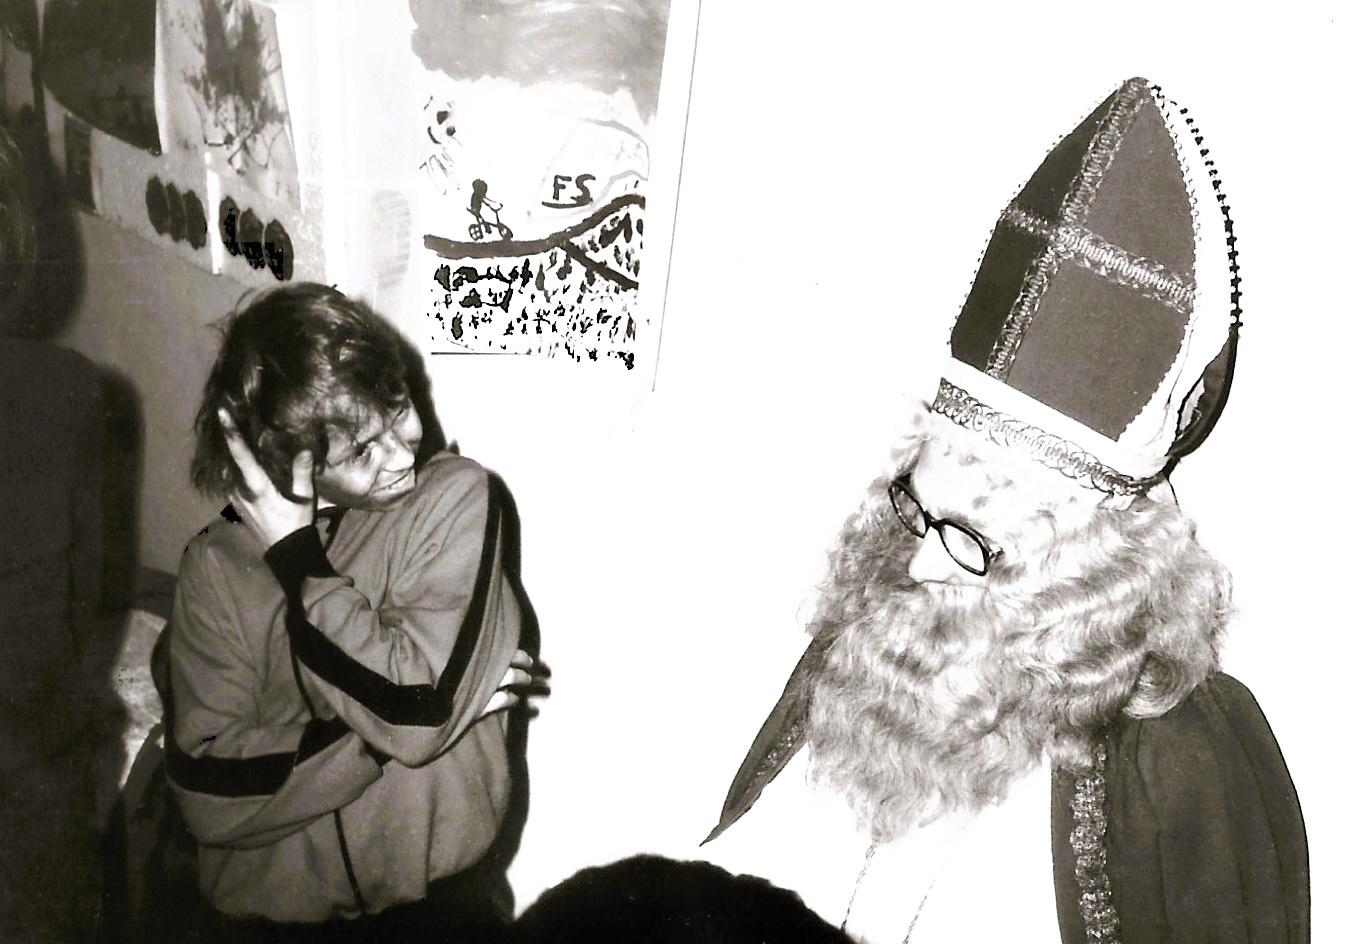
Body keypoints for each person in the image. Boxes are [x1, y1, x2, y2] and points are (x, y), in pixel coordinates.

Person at [704, 78, 1308, 943]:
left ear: (1089, 574)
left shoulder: (1184, 753)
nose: (918, 563)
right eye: (918, 513)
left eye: (969, 541)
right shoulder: (874, 655)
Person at [165, 282, 542, 942]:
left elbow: (416, 707)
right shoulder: (215, 566)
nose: (403, 451)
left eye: (398, 409)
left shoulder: (454, 499)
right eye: (363, 450)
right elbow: (207, 789)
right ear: (283, 464)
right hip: (272, 925)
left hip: (438, 913)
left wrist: (300, 565)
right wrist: (385, 734)